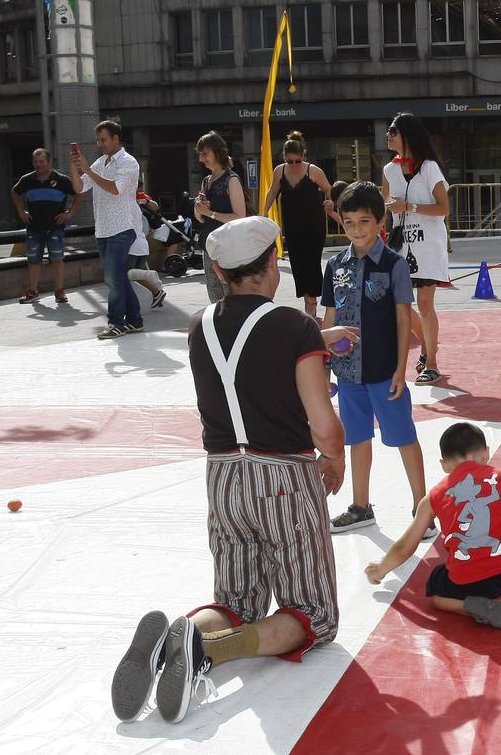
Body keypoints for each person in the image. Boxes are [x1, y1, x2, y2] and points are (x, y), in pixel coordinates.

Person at [109, 216, 348, 725]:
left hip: (223, 476)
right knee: (313, 616)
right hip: (282, 475)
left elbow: (247, 366)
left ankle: (188, 631)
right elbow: (323, 423)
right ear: (271, 266)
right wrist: (333, 456)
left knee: (235, 599)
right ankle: (208, 653)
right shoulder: (295, 326)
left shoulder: (200, 325)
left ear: (218, 269)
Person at [366, 422, 501, 632]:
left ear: (444, 464)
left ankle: (474, 607)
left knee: (436, 591)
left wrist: (380, 569)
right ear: (485, 453)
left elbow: (406, 547)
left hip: (473, 580)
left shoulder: (434, 497)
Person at [321, 181, 433, 536]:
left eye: (365, 221)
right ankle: (360, 505)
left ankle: (422, 508)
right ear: (340, 222)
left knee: (402, 436)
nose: (357, 229)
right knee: (357, 439)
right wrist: (325, 365)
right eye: (349, 222)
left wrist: (401, 368)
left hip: (386, 371)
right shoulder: (335, 264)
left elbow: (403, 319)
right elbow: (329, 316)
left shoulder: (394, 264)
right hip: (348, 372)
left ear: (381, 220)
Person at [381, 112, 451, 385]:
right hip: (400, 244)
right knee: (399, 304)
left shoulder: (429, 168)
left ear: (407, 135)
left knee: (424, 303)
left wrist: (409, 206)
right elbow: (386, 209)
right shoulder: (389, 170)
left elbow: (444, 208)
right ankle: (427, 344)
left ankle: (431, 363)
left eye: (393, 131)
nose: (388, 136)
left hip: (429, 245)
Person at [70, 121, 145, 339]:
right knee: (118, 276)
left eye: (103, 139)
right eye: (98, 140)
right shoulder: (101, 162)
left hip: (122, 227)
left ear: (115, 138)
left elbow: (115, 188)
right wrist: (76, 169)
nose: (99, 144)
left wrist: (87, 170)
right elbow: (80, 187)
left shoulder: (128, 162)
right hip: (103, 229)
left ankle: (116, 322)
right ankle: (135, 320)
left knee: (113, 277)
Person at [261, 131, 333, 319]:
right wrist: (263, 212)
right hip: (292, 225)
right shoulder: (280, 171)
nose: (293, 164)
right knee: (297, 264)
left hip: (313, 225)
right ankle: (307, 300)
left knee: (311, 263)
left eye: (297, 161)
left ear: (303, 156)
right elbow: (272, 192)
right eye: (290, 161)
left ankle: (312, 303)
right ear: (285, 157)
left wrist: (329, 201)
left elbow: (327, 188)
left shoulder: (313, 170)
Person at [11, 147, 77, 305]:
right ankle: (33, 291)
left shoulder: (61, 180)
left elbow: (79, 193)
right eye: (36, 161)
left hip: (56, 226)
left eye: (42, 161)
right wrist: (21, 212)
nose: (38, 165)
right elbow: (14, 192)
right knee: (33, 259)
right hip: (34, 226)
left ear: (49, 162)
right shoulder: (27, 179)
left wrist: (69, 213)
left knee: (57, 258)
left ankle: (59, 291)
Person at [192, 130, 249, 304]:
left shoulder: (231, 179)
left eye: (205, 153)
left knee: (230, 293)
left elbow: (240, 216)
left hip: (228, 245)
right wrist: (199, 209)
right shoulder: (206, 181)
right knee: (215, 295)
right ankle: (221, 327)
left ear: (217, 152)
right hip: (209, 244)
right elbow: (201, 218)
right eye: (199, 154)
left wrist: (210, 213)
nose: (201, 158)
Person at [127, 187, 167, 309]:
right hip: (141, 245)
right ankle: (157, 292)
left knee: (126, 275)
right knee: (139, 275)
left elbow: (155, 207)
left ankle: (127, 306)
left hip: (133, 246)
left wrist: (144, 199)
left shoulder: (131, 202)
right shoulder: (133, 203)